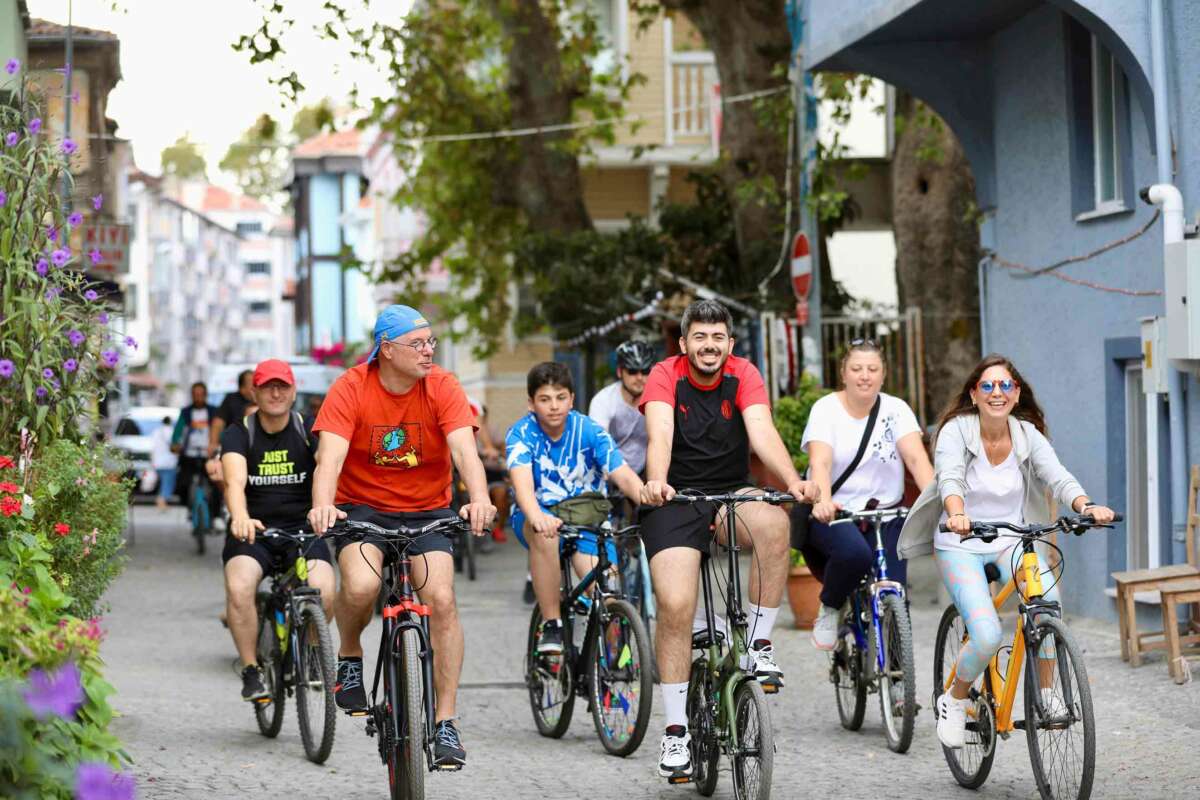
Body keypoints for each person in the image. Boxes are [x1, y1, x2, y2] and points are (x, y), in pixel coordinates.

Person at [307, 304, 496, 770]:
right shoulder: (351, 387)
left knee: (442, 599)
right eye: (418, 344)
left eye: (431, 341)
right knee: (362, 586)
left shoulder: (444, 387)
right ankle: (349, 654)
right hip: (363, 510)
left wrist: (479, 498)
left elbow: (465, 452)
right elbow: (328, 459)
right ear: (386, 350)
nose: (429, 350)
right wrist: (323, 504)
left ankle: (446, 721)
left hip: (428, 510)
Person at [638, 299, 819, 780]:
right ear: (684, 343)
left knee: (775, 523)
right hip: (673, 499)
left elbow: (761, 432)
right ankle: (675, 732)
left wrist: (792, 480)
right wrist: (656, 481)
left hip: (729, 494)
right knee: (676, 605)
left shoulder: (744, 373)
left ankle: (758, 643)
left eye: (718, 337)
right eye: (699, 337)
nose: (709, 346)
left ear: (730, 344)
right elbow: (660, 434)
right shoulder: (664, 375)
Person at [897, 354, 1114, 749]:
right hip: (961, 542)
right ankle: (956, 698)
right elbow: (949, 476)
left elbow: (1057, 476)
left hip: (1010, 542)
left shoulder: (1027, 434)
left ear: (1016, 395)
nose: (997, 393)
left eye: (1005, 386)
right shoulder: (956, 431)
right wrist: (957, 514)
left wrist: (1085, 505)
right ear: (974, 394)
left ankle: (1046, 692)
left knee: (1047, 603)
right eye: (988, 386)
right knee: (986, 634)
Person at [801, 339, 934, 650]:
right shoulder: (826, 409)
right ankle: (831, 606)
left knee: (895, 593)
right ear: (844, 374)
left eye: (872, 369)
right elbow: (819, 461)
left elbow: (916, 459)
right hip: (836, 511)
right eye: (857, 369)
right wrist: (821, 501)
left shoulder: (896, 409)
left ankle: (901, 685)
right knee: (854, 556)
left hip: (886, 514)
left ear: (883, 375)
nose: (865, 375)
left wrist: (937, 504)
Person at [506, 362, 645, 655]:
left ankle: (608, 669)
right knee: (546, 536)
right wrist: (538, 518)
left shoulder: (589, 430)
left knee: (607, 593)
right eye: (544, 399)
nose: (554, 406)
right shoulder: (521, 435)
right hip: (539, 517)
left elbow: (621, 473)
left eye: (560, 397)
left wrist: (646, 497)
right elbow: (523, 490)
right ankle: (552, 623)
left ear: (571, 398)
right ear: (531, 403)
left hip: (587, 520)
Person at [220, 360, 335, 702]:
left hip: (302, 530)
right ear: (253, 391)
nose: (275, 392)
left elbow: (326, 470)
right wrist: (239, 516)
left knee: (325, 590)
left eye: (282, 386)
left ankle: (312, 653)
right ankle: (252, 669)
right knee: (239, 587)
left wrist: (323, 507)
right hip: (254, 532)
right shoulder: (239, 433)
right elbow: (234, 481)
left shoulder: (308, 429)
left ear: (293, 391)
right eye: (268, 386)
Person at [589, 340, 654, 476]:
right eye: (632, 371)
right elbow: (598, 445)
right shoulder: (603, 400)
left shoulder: (658, 400)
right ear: (619, 371)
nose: (639, 377)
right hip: (611, 473)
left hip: (648, 473)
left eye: (645, 371)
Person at [172, 382, 221, 527]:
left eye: (201, 394)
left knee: (217, 484)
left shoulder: (214, 411)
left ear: (206, 395)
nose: (198, 397)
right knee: (182, 483)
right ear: (192, 396)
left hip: (209, 455)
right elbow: (178, 431)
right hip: (189, 455)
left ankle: (216, 515)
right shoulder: (186, 412)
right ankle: (190, 507)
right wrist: (175, 444)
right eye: (195, 394)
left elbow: (220, 430)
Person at [150, 416, 177, 511]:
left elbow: (152, 447)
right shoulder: (172, 431)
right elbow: (175, 445)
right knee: (167, 483)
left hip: (157, 461)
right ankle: (162, 501)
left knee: (162, 482)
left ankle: (161, 501)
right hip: (169, 462)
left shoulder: (156, 432)